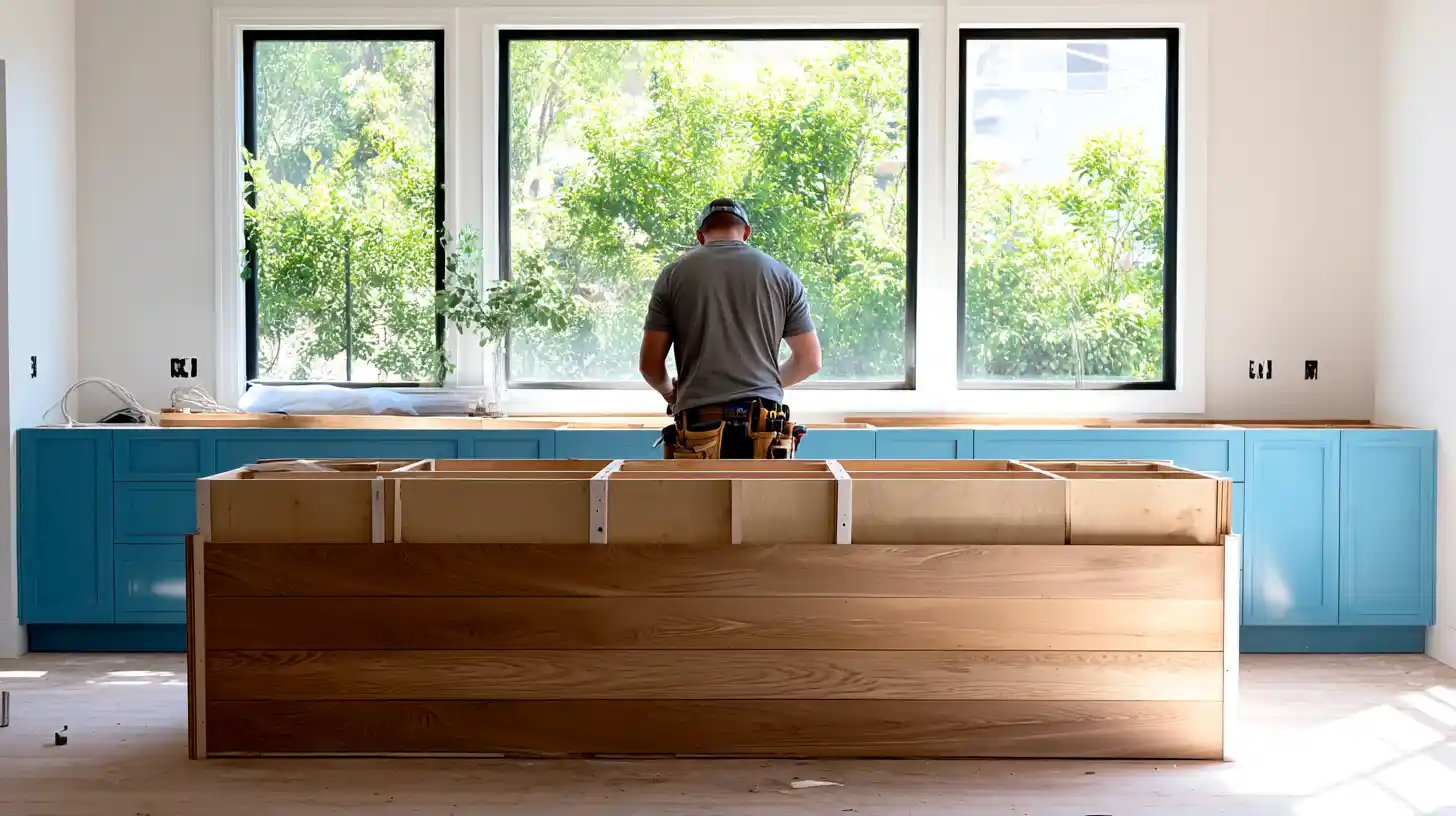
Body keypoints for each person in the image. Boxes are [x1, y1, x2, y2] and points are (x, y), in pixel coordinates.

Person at [639, 198, 822, 459]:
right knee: (764, 501)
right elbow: (810, 361)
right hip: (764, 432)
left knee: (696, 501)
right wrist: (759, 385)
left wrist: (671, 393)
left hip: (699, 431)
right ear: (746, 232)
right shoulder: (783, 275)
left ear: (700, 236)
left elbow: (650, 365)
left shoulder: (673, 276)